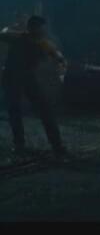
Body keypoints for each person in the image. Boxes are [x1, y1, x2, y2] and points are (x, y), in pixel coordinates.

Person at [1, 16, 68, 158]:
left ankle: (56, 144)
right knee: (15, 111)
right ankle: (20, 144)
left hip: (26, 78)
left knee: (43, 109)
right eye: (40, 28)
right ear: (33, 28)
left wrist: (61, 65)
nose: (43, 31)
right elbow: (3, 33)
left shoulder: (42, 43)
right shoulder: (20, 38)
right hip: (12, 77)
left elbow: (58, 57)